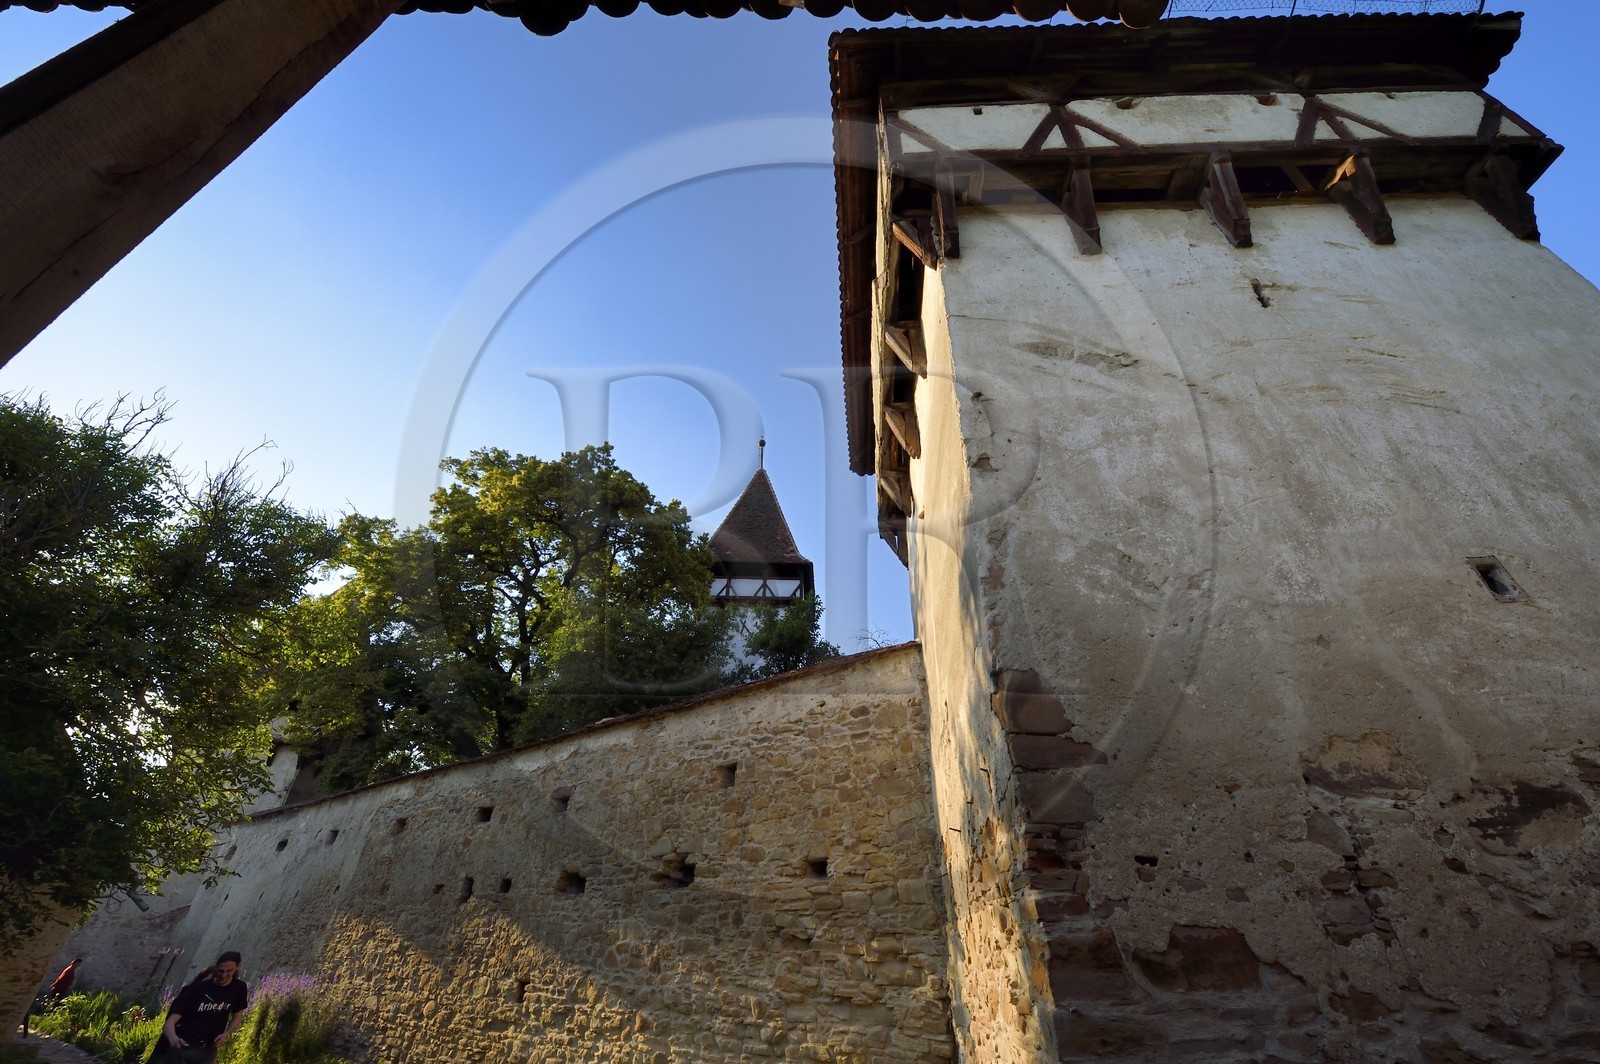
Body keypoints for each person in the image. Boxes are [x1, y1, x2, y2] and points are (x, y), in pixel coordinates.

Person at [151, 952, 249, 1062]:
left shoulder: (239, 988)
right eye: (221, 971)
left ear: (237, 967)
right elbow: (170, 1022)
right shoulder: (195, 989)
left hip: (208, 1050)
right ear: (216, 967)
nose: (223, 975)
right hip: (185, 1047)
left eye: (229, 971)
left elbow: (238, 1015)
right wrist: (173, 1038)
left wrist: (227, 1033)